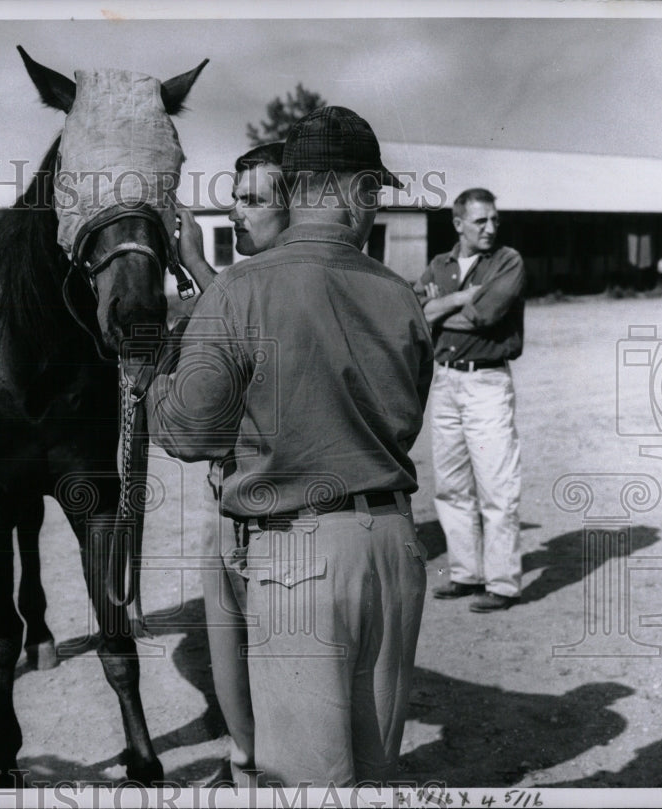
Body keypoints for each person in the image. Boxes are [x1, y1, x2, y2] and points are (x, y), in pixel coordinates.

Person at [149, 107, 433, 787]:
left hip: (296, 556)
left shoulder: (242, 289)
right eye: (373, 190)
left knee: (304, 784)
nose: (374, 207)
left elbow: (192, 430)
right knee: (371, 772)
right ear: (346, 188)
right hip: (394, 547)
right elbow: (405, 414)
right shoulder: (400, 296)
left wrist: (151, 382)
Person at [175, 141, 288, 788]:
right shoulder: (245, 280)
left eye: (252, 200)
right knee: (229, 656)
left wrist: (194, 260)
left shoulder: (294, 278)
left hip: (274, 506)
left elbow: (248, 333)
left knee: (272, 654)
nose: (236, 212)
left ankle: (273, 770)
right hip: (227, 494)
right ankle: (246, 764)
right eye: (233, 199)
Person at [414, 188, 525, 612]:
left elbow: (487, 315)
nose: (491, 228)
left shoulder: (507, 261)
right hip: (446, 382)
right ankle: (465, 573)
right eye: (481, 221)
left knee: (497, 486)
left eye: (495, 220)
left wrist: (437, 309)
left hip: (487, 383)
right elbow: (417, 313)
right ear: (458, 224)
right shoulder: (439, 265)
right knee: (451, 484)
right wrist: (459, 297)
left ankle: (502, 583)